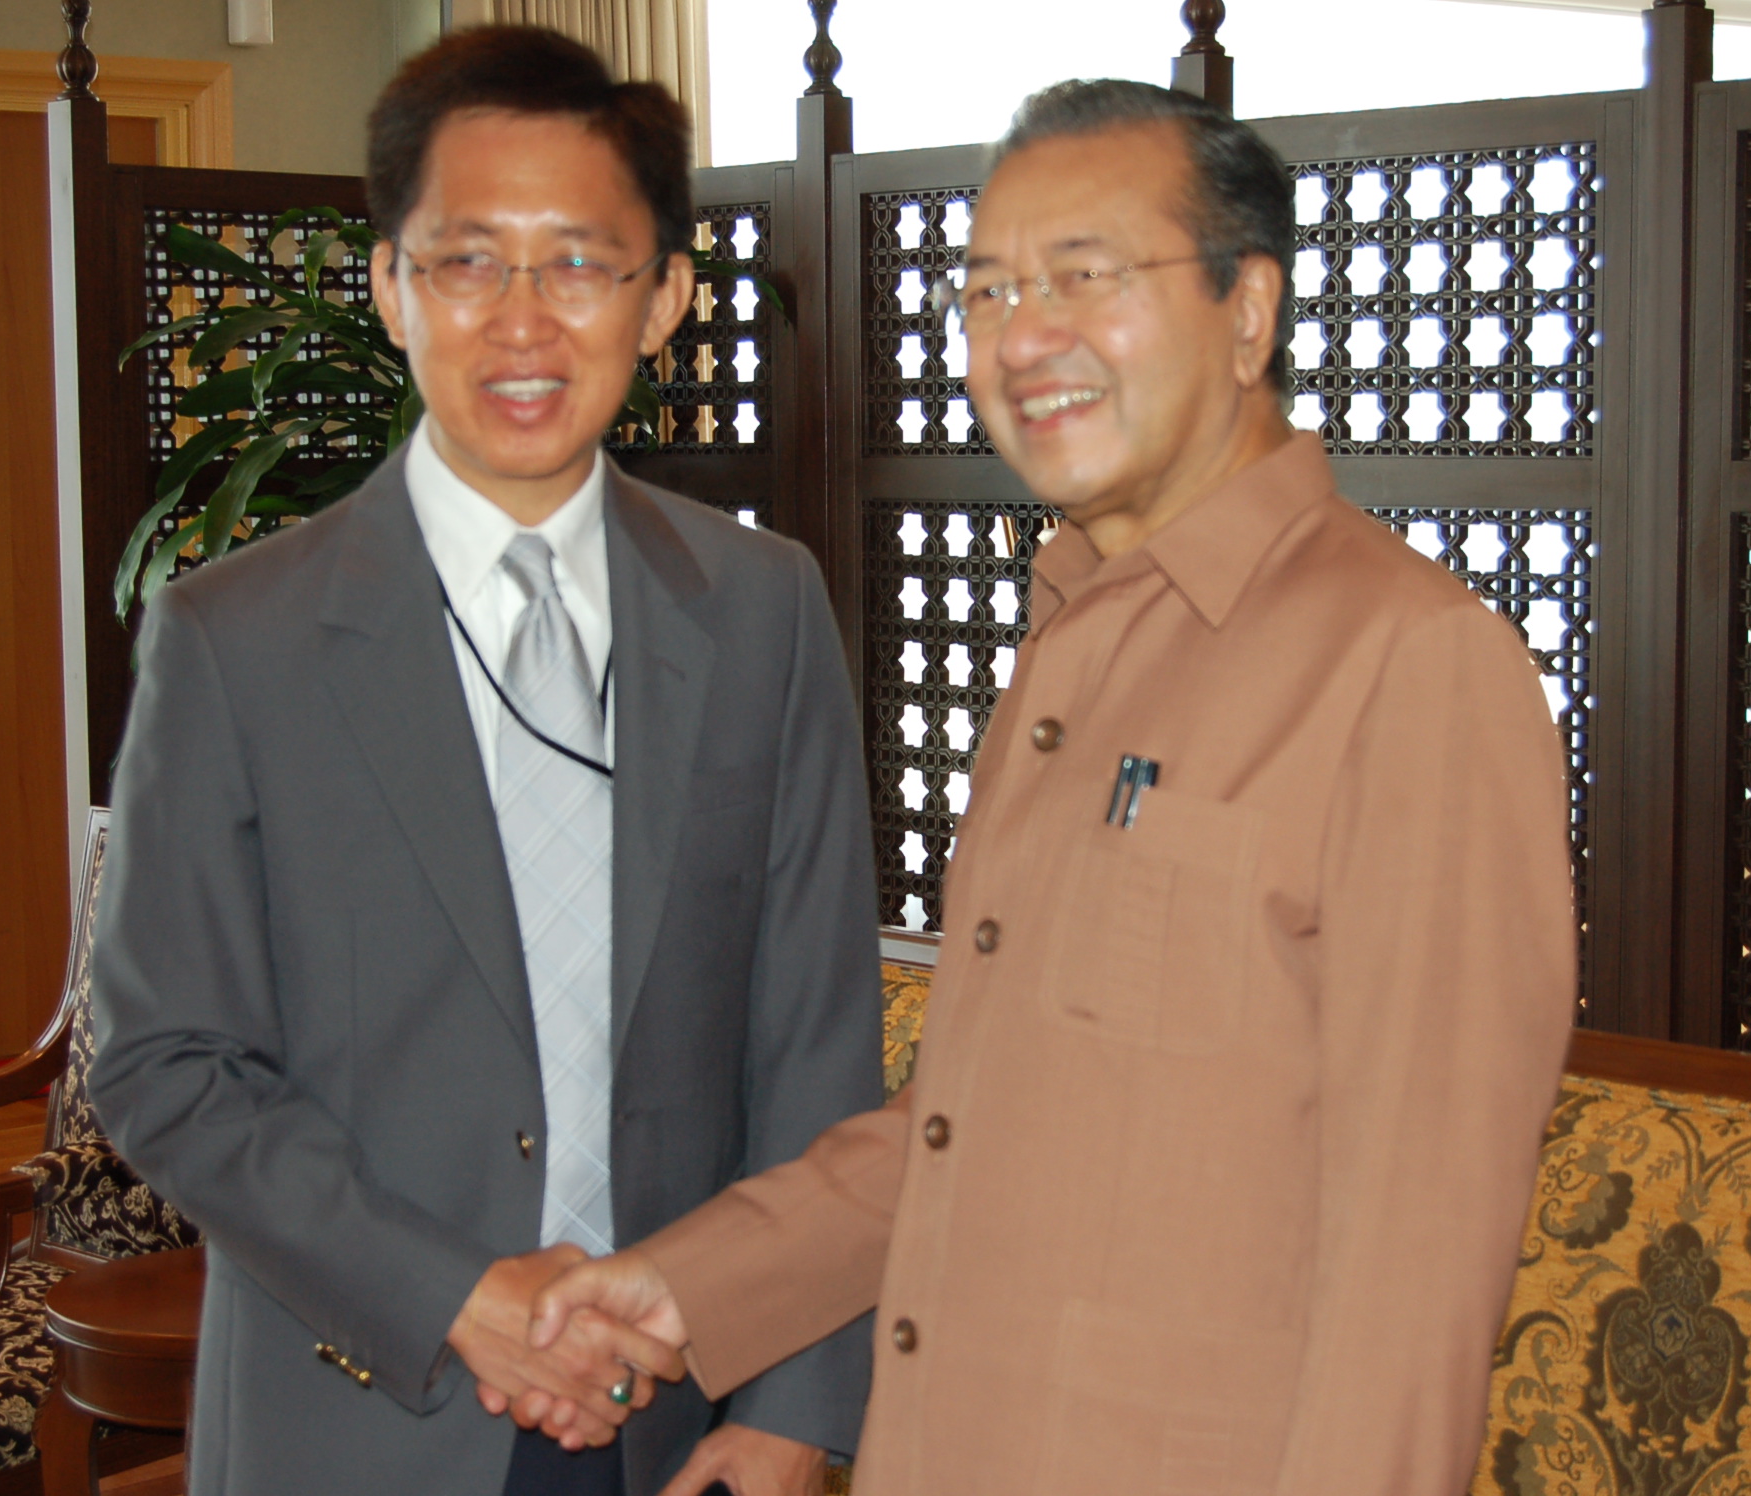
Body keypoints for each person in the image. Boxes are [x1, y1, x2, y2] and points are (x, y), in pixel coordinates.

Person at [523, 79, 1579, 1495]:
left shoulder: (1407, 664)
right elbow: (968, 1123)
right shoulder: (1075, 638)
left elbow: (1412, 1276)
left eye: (1087, 277)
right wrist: (685, 1289)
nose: (1024, 338)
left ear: (1248, 310)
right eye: (989, 291)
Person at [89, 26, 879, 1496]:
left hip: (682, 1416)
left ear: (664, 299)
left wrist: (797, 1404)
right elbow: (165, 1063)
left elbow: (816, 1047)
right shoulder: (235, 641)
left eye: (579, 263)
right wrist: (457, 1296)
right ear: (392, 286)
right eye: (467, 262)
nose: (524, 322)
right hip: (360, 1416)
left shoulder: (761, 611)